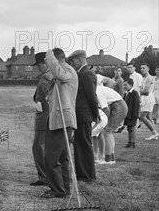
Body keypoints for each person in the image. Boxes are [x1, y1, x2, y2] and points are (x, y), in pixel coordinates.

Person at [41, 48, 78, 198]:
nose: (47, 64)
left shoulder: (67, 70)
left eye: (48, 61)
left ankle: (57, 189)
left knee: (51, 156)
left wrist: (49, 55)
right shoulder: (62, 72)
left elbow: (60, 74)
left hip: (63, 119)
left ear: (56, 59)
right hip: (58, 119)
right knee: (62, 157)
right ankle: (64, 189)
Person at [66, 50, 99, 183]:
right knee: (79, 145)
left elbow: (92, 97)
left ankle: (88, 175)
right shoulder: (81, 73)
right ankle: (82, 174)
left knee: (84, 145)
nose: (71, 63)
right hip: (79, 115)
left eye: (72, 61)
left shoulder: (87, 74)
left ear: (80, 60)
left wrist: (95, 115)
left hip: (84, 115)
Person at [30, 52, 53, 186]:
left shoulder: (46, 77)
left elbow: (49, 97)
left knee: (38, 147)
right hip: (47, 115)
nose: (38, 68)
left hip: (44, 116)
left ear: (45, 63)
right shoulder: (50, 75)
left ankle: (44, 177)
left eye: (39, 65)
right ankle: (47, 176)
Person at [95, 77, 127, 164]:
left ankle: (108, 160)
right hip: (120, 105)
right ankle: (111, 158)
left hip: (118, 106)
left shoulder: (97, 91)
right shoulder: (99, 89)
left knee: (107, 132)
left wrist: (103, 122)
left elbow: (106, 110)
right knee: (109, 132)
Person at [139, 63, 158, 140]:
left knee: (142, 117)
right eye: (141, 68)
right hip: (146, 98)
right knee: (149, 117)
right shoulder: (144, 78)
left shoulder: (149, 78)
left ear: (148, 69)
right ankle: (155, 134)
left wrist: (138, 91)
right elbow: (143, 90)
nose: (142, 69)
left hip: (148, 98)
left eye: (144, 68)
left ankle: (154, 132)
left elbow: (146, 91)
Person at [123, 79, 140, 148]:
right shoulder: (126, 93)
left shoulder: (134, 93)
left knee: (132, 128)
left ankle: (133, 142)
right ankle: (129, 142)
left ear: (131, 85)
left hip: (132, 114)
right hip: (128, 114)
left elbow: (136, 104)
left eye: (126, 85)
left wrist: (135, 115)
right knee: (129, 128)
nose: (124, 86)